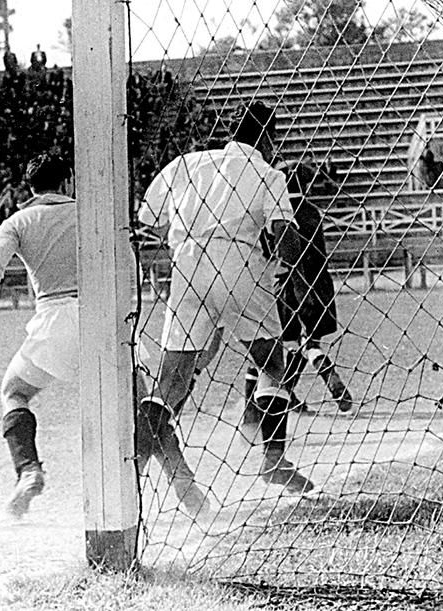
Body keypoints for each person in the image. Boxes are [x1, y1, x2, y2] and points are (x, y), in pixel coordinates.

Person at [137, 101, 317, 517]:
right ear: (268, 137)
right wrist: (290, 264)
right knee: (273, 362)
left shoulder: (187, 163)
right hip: (237, 263)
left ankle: (136, 478)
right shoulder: (267, 173)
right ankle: (273, 460)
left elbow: (146, 221)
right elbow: (282, 233)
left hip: (185, 266)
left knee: (171, 383)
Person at [0, 153, 77, 518]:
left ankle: (29, 470)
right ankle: (185, 484)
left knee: (14, 392)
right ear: (67, 182)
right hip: (101, 318)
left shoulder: (18, 221)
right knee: (140, 402)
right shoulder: (93, 212)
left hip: (54, 322)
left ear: (31, 187)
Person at [242, 160, 353, 415]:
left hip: (287, 284)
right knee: (308, 340)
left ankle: (290, 390)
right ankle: (306, 384)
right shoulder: (311, 212)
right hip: (318, 284)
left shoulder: (277, 214)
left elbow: (272, 250)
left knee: (288, 344)